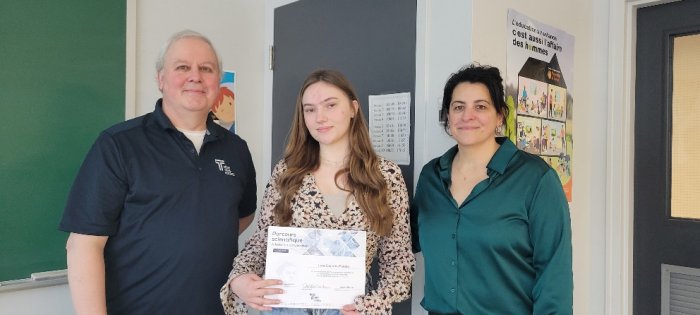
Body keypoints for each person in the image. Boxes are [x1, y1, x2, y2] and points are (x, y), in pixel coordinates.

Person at [59, 30, 257, 315]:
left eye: (206, 69)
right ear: (161, 79)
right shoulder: (119, 144)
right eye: (182, 67)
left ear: (217, 81)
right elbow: (83, 245)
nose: (195, 76)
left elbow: (242, 214)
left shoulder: (236, 150)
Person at [220, 69, 415, 315]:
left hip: (351, 310)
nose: (319, 117)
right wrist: (239, 278)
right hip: (287, 309)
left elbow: (398, 260)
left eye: (330, 105)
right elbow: (262, 242)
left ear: (354, 109)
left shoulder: (385, 176)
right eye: (310, 109)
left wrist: (373, 305)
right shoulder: (287, 172)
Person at [411, 64, 572, 314]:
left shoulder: (536, 179)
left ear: (500, 116)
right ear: (447, 116)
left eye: (481, 106)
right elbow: (405, 239)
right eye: (458, 107)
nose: (468, 116)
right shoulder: (431, 176)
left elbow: (554, 277)